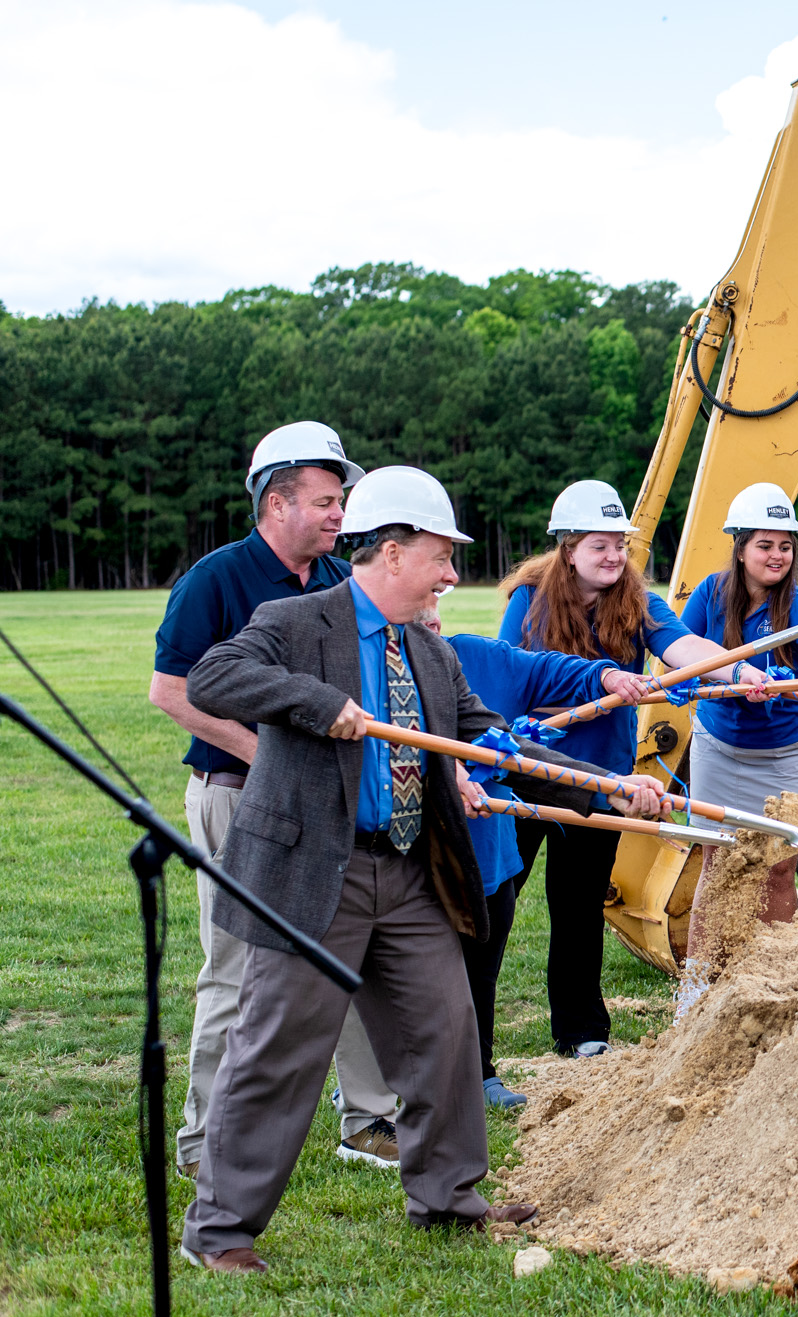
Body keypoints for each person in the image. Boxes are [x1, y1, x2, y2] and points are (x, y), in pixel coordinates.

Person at [178, 465, 665, 1272]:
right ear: (394, 552)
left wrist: (610, 785)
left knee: (446, 1030)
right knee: (277, 1048)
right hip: (317, 874)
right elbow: (212, 676)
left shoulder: (432, 657)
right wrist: (313, 703)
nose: (451, 575)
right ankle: (221, 1230)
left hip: (406, 874)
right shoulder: (299, 621)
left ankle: (447, 1196)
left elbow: (493, 738)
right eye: (442, 557)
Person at [148, 421, 403, 1176]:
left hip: (332, 805)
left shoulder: (333, 581)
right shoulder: (217, 578)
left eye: (340, 502)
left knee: (351, 950)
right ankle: (204, 1140)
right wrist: (267, 756)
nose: (338, 515)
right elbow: (171, 690)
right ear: (277, 501)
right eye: (325, 501)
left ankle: (369, 1120)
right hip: (237, 797)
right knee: (238, 969)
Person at [498, 479, 738, 1058]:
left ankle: (580, 1032)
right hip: (528, 773)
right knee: (497, 900)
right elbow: (510, 676)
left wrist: (740, 675)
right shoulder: (526, 600)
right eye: (599, 545)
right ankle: (469, 1038)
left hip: (600, 779)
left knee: (580, 905)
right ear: (567, 549)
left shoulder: (636, 600)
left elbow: (683, 648)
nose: (613, 557)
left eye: (620, 545)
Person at [413, 596, 653, 1108]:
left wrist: (606, 785)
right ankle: (380, 1086)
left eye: (436, 604)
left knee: (480, 964)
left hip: (487, 854)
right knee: (412, 972)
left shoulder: (463, 658)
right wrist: (440, 771)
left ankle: (476, 1074)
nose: (434, 610)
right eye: (422, 602)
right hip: (414, 858)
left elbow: (509, 744)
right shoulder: (371, 672)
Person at [680, 483, 798, 945]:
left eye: (785, 546)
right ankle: (702, 976)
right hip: (719, 749)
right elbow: (676, 657)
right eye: (764, 545)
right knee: (717, 862)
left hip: (787, 757)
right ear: (740, 549)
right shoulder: (711, 593)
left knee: (778, 869)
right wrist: (729, 679)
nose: (777, 555)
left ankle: (772, 972)